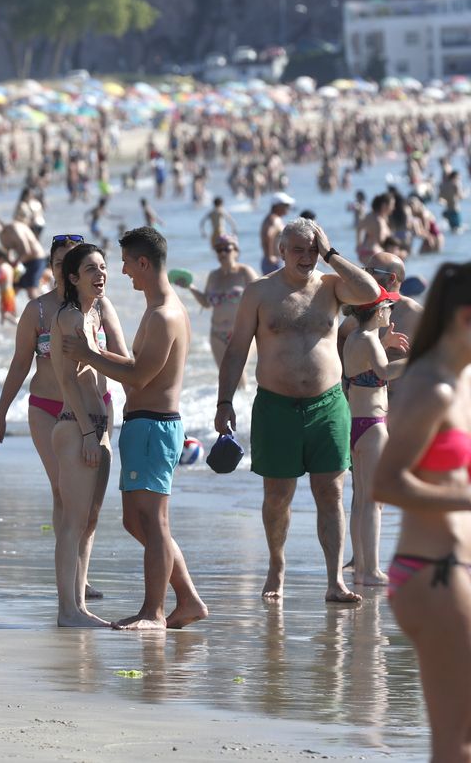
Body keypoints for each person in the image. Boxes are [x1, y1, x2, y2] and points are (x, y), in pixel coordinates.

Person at [215, 218, 381, 603]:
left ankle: (333, 580)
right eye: (298, 250)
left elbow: (371, 291)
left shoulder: (332, 286)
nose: (306, 258)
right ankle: (276, 564)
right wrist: (225, 401)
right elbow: (237, 348)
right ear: (281, 251)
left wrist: (331, 253)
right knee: (277, 495)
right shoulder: (259, 292)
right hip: (275, 407)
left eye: (312, 250)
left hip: (327, 406)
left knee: (331, 492)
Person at [61, 228, 208, 630]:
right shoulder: (158, 308)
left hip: (155, 427)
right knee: (134, 521)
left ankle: (154, 612)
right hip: (144, 426)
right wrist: (98, 353)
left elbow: (140, 377)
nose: (123, 272)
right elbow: (137, 370)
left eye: (126, 263)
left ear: (143, 262)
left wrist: (90, 354)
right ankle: (188, 599)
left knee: (155, 523)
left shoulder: (164, 314)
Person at [0, 234, 127, 621]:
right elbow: (20, 364)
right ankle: (69, 600)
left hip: (99, 407)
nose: (69, 270)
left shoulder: (100, 306)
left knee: (91, 509)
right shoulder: (40, 311)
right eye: (62, 262)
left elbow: (123, 355)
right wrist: (0, 414)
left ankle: (78, 582)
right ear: (55, 268)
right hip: (49, 407)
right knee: (65, 497)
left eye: (77, 262)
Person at [373, 263, 471, 763]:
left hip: (456, 571)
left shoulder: (463, 382)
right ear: (464, 318)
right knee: (456, 746)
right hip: (432, 574)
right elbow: (385, 483)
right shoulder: (431, 386)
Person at [46, 243, 117, 626]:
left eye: (103, 267)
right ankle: (67, 610)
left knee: (88, 520)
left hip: (93, 425)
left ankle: (79, 605)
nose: (100, 274)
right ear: (73, 278)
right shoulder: (70, 317)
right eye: (91, 269)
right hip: (76, 426)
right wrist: (90, 432)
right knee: (73, 522)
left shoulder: (94, 314)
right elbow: (68, 380)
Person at [341, 295, 409, 587]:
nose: (391, 312)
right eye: (388, 307)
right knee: (373, 502)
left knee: (360, 501)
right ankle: (372, 571)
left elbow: (364, 370)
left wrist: (385, 344)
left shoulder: (355, 338)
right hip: (373, 426)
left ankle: (360, 568)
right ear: (379, 311)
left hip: (354, 425)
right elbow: (384, 372)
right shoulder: (368, 339)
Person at [182, 234, 258, 385]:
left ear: (235, 251)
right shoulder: (213, 275)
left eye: (226, 249)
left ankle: (245, 406)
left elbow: (261, 296)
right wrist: (190, 287)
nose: (222, 253)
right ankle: (230, 407)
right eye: (218, 250)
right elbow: (206, 303)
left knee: (237, 372)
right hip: (217, 334)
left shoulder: (245, 272)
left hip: (241, 333)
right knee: (225, 377)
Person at [0, 213, 47, 300]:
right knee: (10, 290)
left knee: (31, 292)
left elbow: (27, 251)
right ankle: (11, 313)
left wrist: (14, 266)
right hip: (23, 263)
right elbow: (9, 258)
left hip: (36, 260)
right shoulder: (2, 237)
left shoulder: (14, 227)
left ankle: (46, 311)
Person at [258, 192, 294, 275]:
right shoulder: (274, 220)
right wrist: (270, 256)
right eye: (286, 205)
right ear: (277, 206)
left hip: (272, 260)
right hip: (274, 261)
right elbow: (268, 235)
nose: (288, 208)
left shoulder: (272, 218)